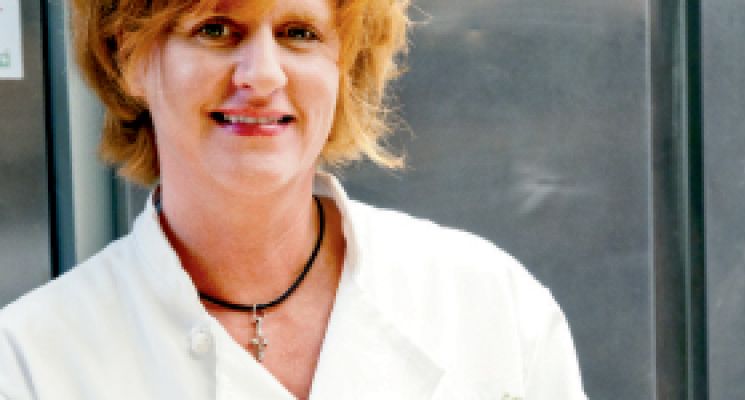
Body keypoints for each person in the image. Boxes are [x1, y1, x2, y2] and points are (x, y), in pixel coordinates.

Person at [0, 0, 587, 398]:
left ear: (344, 64)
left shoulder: (493, 306)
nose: (262, 76)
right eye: (217, 29)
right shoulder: (29, 360)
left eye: (298, 33)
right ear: (129, 56)